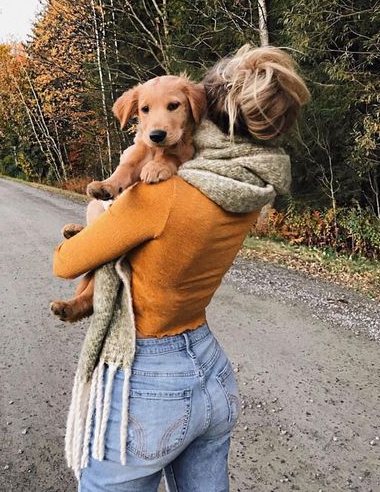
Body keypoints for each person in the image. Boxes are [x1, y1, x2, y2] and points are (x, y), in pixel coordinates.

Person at [53, 44, 310, 492]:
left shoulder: (163, 193)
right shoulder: (249, 185)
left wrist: (99, 216)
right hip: (211, 371)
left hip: (150, 380)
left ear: (202, 108)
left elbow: (67, 262)